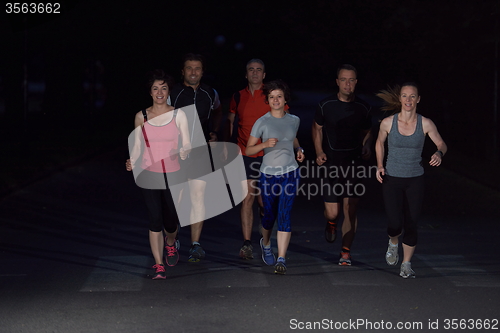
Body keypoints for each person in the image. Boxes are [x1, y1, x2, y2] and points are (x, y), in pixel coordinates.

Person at [375, 83, 447, 278]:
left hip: (415, 178)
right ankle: (393, 241)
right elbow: (379, 142)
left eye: (412, 96)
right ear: (400, 99)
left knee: (412, 223)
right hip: (391, 178)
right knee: (394, 223)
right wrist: (380, 165)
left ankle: (406, 264)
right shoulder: (388, 122)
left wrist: (439, 153)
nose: (408, 100)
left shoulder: (426, 123)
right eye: (405, 96)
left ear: (418, 99)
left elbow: (441, 143)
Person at [126, 70, 191, 279]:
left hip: (173, 174)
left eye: (163, 88)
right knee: (155, 219)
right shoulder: (141, 116)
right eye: (156, 88)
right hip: (149, 173)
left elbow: (187, 142)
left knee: (170, 220)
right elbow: (137, 146)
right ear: (150, 92)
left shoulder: (178, 115)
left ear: (168, 91)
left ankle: (170, 242)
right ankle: (158, 264)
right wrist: (132, 161)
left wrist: (184, 150)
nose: (160, 92)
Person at [227, 59, 289, 260]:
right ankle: (247, 243)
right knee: (247, 198)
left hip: (269, 156)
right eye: (251, 70)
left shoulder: (271, 95)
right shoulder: (238, 96)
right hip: (245, 154)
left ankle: (266, 234)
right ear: (246, 74)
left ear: (264, 75)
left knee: (265, 203)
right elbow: (231, 121)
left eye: (259, 70)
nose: (255, 73)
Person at [312, 64, 372, 266]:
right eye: (344, 79)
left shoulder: (363, 107)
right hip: (330, 163)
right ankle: (331, 223)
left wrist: (367, 147)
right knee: (333, 212)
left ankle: (345, 252)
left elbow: (367, 132)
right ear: (337, 82)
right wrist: (319, 151)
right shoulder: (325, 105)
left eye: (352, 80)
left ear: (356, 82)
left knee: (351, 208)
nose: (348, 83)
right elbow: (317, 128)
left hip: (354, 163)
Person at [246, 79, 304, 274]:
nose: (275, 100)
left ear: (285, 98)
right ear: (268, 100)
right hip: (268, 175)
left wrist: (299, 148)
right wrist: (264, 145)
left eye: (279, 96)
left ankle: (282, 258)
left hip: (290, 172)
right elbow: (248, 149)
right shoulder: (262, 122)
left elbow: (293, 137)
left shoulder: (294, 120)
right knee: (269, 215)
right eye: (272, 97)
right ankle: (266, 243)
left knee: (285, 214)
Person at [169, 53, 222, 262]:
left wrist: (215, 132)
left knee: (198, 196)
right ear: (182, 71)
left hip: (200, 153)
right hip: (177, 154)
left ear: (202, 71)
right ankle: (172, 240)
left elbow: (218, 111)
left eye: (197, 68)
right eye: (189, 68)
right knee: (177, 200)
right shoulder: (173, 93)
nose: (193, 72)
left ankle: (195, 244)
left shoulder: (210, 93)